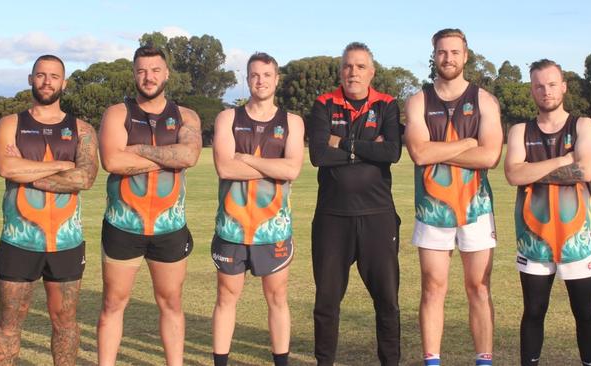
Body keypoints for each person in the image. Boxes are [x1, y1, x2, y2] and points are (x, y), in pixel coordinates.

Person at [96, 45, 202, 366]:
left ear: (167, 73)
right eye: (142, 70)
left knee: (171, 303)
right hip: (122, 226)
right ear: (134, 74)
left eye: (155, 70)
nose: (149, 77)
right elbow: (112, 160)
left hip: (169, 228)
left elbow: (190, 156)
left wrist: (137, 149)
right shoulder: (117, 113)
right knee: (114, 303)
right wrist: (167, 158)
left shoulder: (186, 116)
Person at [0, 54, 98, 366]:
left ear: (64, 83)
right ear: (30, 79)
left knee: (65, 321)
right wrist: (62, 165)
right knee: (10, 322)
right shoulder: (11, 123)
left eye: (54, 76)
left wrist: (28, 170)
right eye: (40, 75)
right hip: (18, 239)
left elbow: (85, 178)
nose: (47, 81)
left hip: (66, 242)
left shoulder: (82, 130)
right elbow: (6, 167)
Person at [404, 28, 502, 366]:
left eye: (455, 52)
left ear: (466, 55)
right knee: (433, 287)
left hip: (476, 208)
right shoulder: (418, 101)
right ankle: (432, 361)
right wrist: (466, 144)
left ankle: (483, 360)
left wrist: (438, 151)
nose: (448, 58)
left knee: (479, 287)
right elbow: (418, 153)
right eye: (442, 52)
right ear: (434, 54)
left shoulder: (485, 101)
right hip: (432, 210)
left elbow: (490, 157)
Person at [307, 42, 402, 366]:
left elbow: (391, 152)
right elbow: (319, 155)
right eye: (348, 66)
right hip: (333, 218)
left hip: (377, 216)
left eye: (361, 66)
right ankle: (324, 362)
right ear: (340, 70)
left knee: (387, 301)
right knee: (327, 302)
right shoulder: (323, 104)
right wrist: (365, 148)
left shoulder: (387, 105)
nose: (353, 72)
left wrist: (343, 143)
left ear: (371, 72)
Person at [504, 59, 591, 366]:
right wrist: (563, 160)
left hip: (579, 238)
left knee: (585, 313)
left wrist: (531, 170)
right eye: (538, 86)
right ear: (532, 90)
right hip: (533, 238)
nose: (546, 91)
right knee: (533, 312)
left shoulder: (583, 125)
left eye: (551, 84)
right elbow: (513, 175)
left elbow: (585, 169)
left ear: (563, 86)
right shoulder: (520, 130)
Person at [210, 52, 304, 366]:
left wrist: (246, 158)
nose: (260, 80)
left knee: (277, 299)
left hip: (273, 230)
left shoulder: (291, 122)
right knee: (226, 298)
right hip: (232, 228)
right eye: (254, 75)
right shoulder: (228, 118)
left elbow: (291, 171)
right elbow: (224, 168)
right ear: (247, 79)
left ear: (277, 79)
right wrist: (272, 167)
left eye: (266, 75)